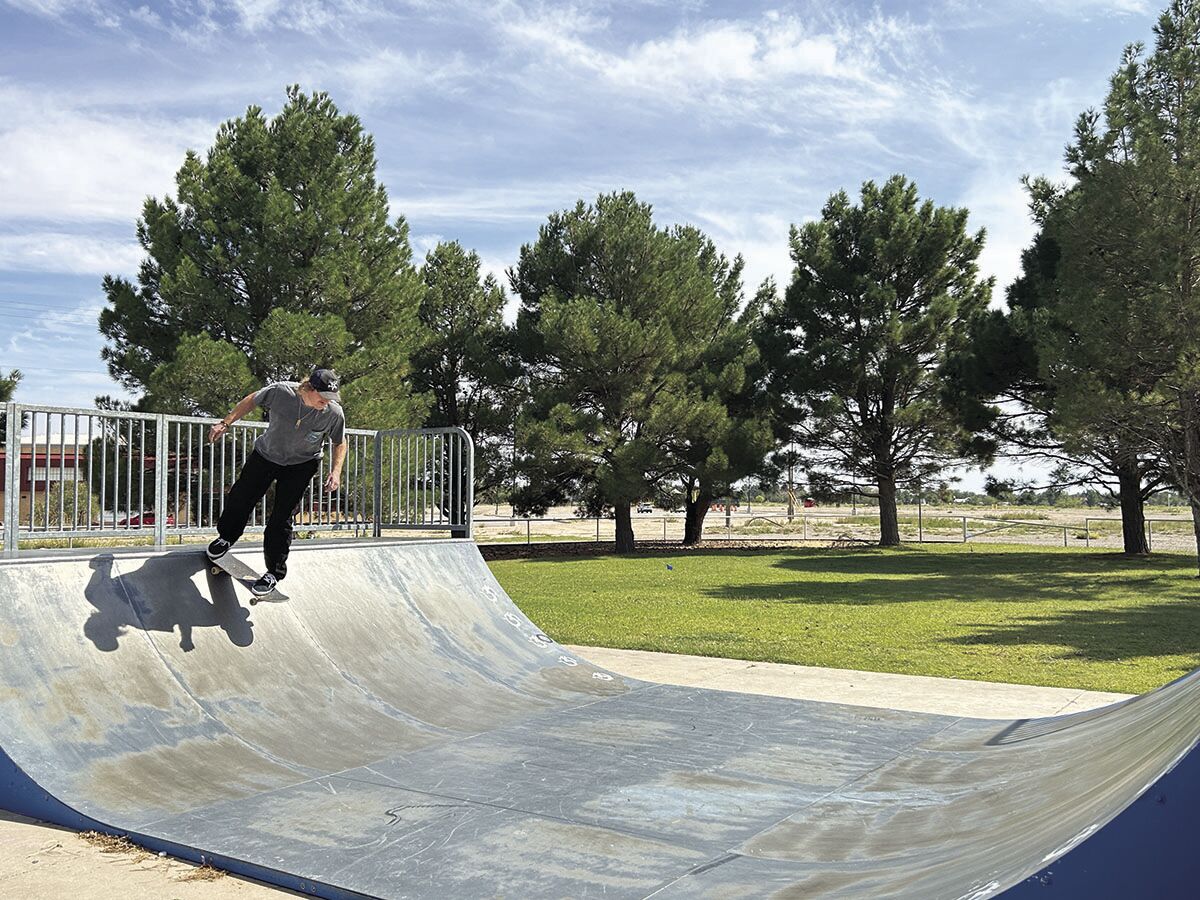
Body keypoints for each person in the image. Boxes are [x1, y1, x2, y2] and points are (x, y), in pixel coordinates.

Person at [205, 368, 347, 596]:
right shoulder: (280, 392)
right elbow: (252, 400)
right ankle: (226, 538)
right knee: (241, 497)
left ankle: (274, 572)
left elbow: (340, 442)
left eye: (330, 399)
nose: (326, 403)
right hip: (266, 455)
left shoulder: (333, 413)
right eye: (322, 398)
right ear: (308, 389)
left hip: (302, 465)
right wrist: (226, 422)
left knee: (282, 518)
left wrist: (336, 471)